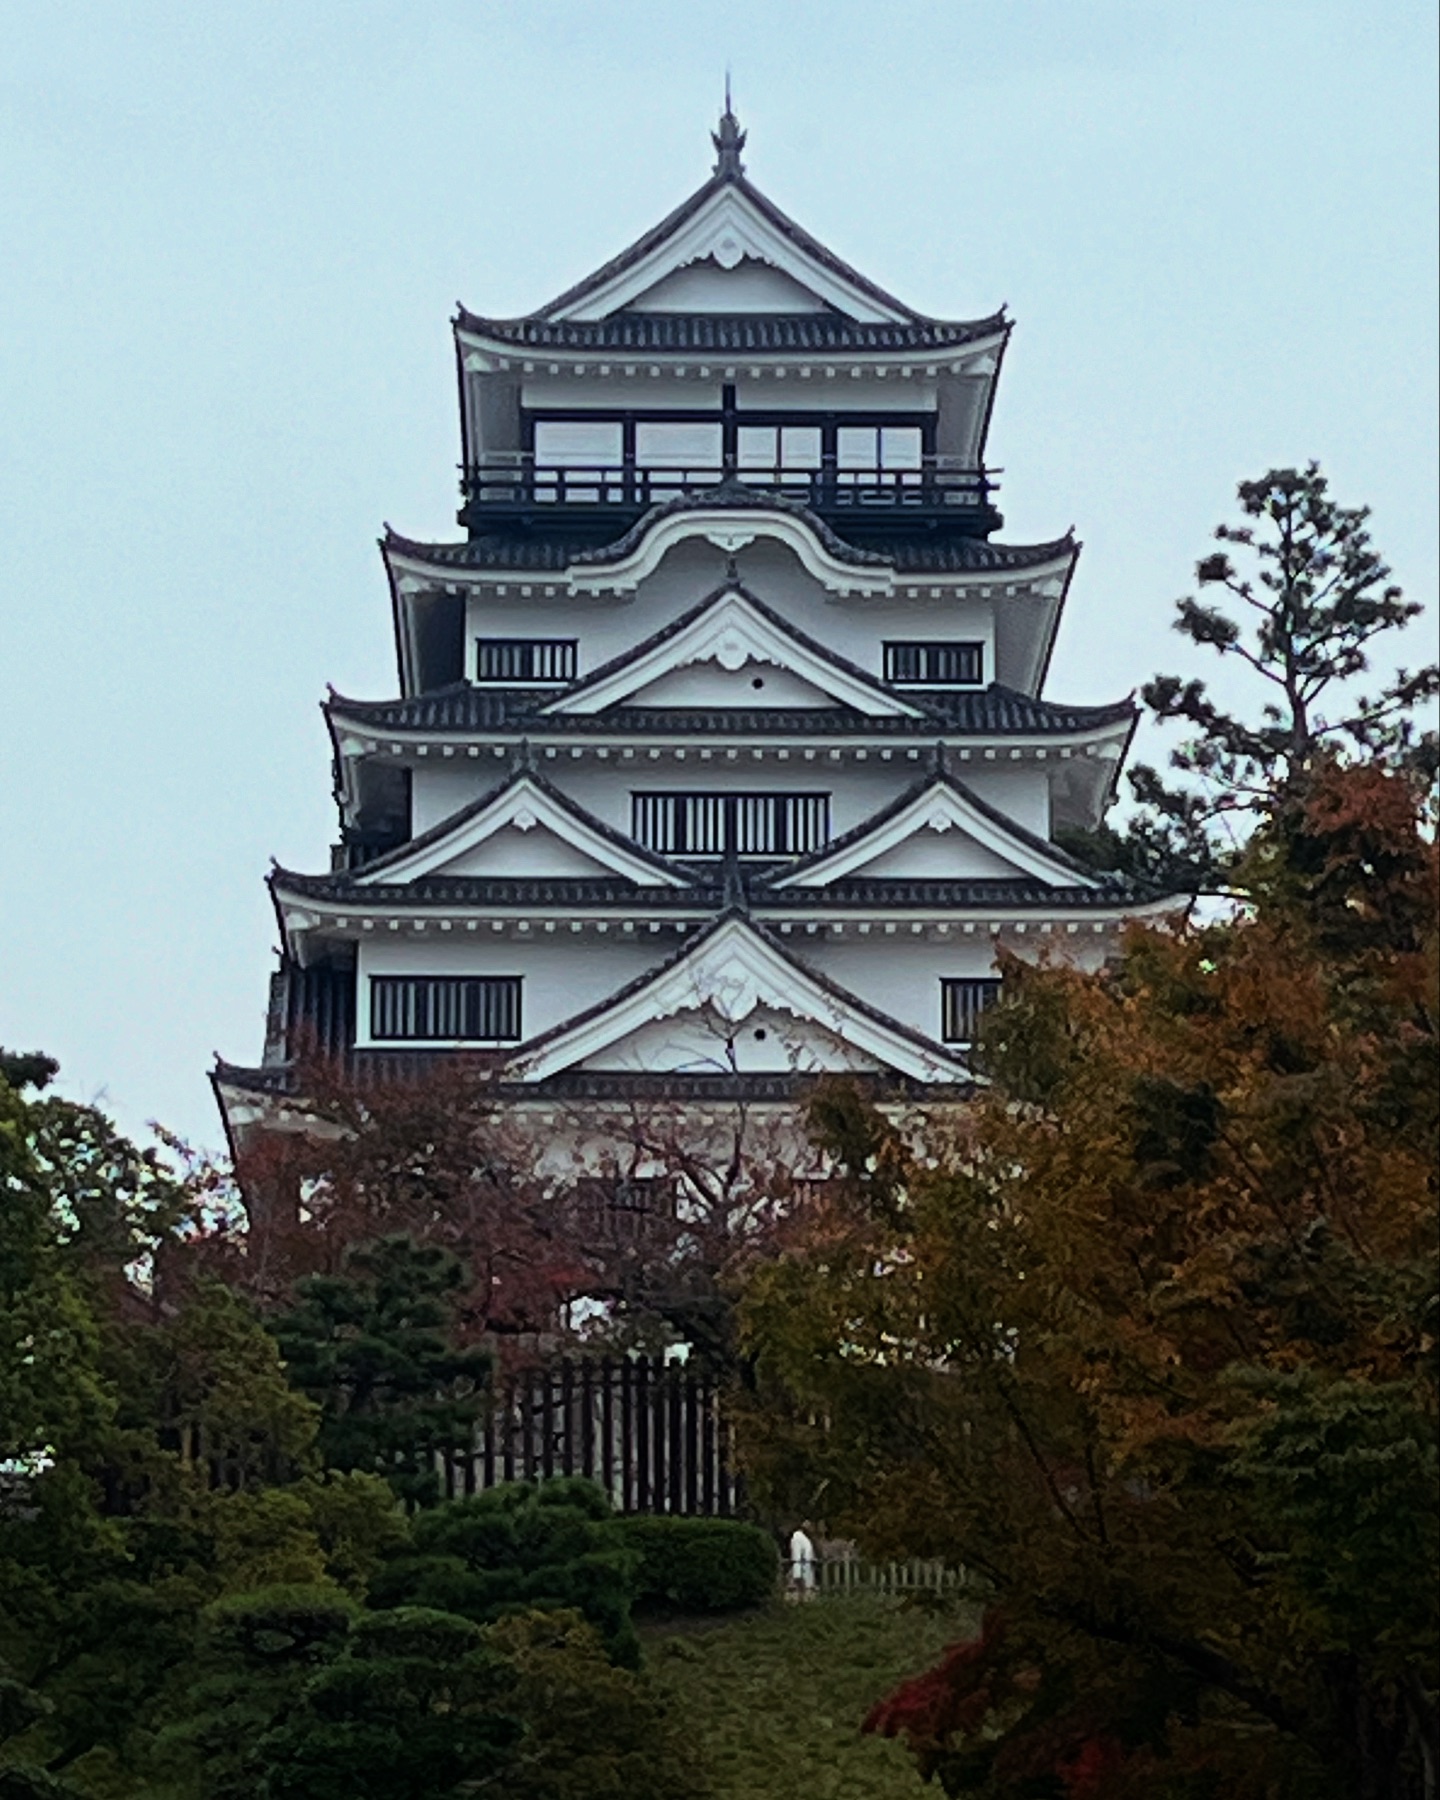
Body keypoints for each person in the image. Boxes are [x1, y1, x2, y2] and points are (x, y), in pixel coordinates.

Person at [788, 1521, 817, 1600]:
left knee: (805, 1586)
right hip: (801, 1563)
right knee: (799, 1584)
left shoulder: (806, 1539)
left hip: (804, 1563)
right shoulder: (798, 1537)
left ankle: (803, 1599)